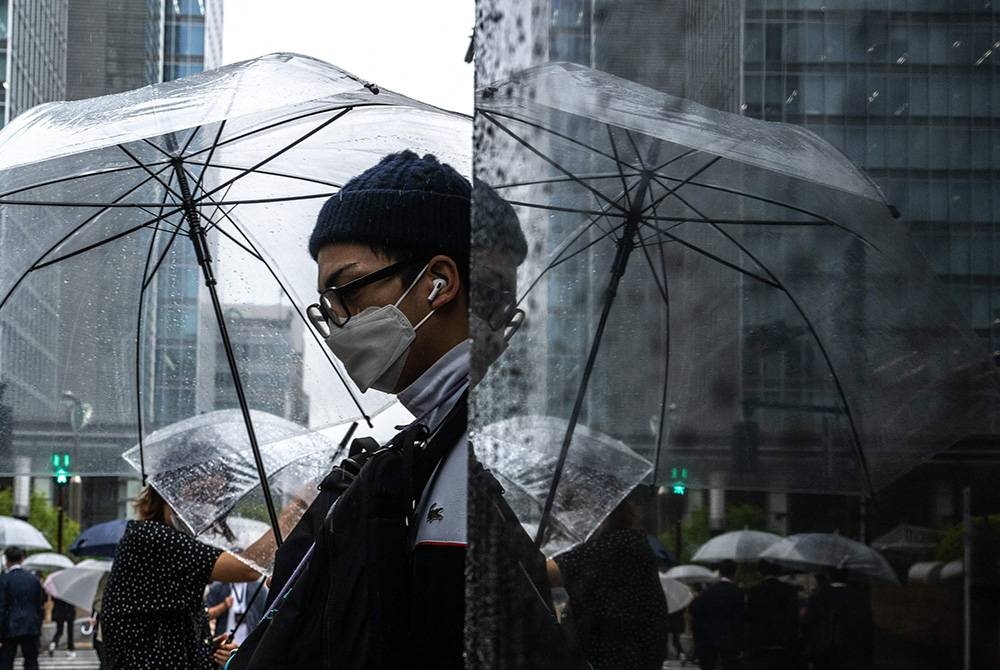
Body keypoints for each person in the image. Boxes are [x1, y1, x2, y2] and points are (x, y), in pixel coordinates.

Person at [228, 151, 577, 670]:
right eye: (325, 303)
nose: (335, 322)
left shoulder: (464, 453)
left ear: (439, 283)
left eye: (344, 288)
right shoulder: (425, 447)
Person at [99, 485, 260, 669]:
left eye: (214, 499)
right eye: (198, 495)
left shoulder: (173, 550)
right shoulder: (152, 538)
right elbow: (248, 569)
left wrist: (206, 650)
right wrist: (293, 513)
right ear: (166, 492)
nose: (205, 506)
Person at [550, 493, 670, 670]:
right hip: (634, 651)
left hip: (619, 653)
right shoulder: (630, 541)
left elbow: (553, 571)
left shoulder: (620, 543)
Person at [801, 567, 874, 670]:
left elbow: (808, 623)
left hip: (823, 651)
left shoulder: (819, 595)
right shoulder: (857, 597)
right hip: (850, 651)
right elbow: (866, 626)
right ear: (847, 576)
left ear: (829, 576)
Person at [690, 559, 745, 670]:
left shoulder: (706, 593)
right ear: (734, 573)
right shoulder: (737, 593)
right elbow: (739, 620)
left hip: (707, 639)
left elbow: (695, 612)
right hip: (729, 641)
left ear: (719, 572)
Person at [745, 560, 800, 670]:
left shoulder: (754, 591)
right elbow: (794, 617)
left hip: (760, 643)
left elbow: (749, 617)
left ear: (761, 571)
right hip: (785, 643)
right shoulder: (789, 590)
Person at [0, 546, 45, 670]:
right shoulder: (34, 580)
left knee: (6, 662)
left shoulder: (4, 580)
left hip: (10, 626)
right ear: (22, 559)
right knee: (31, 662)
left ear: (7, 560)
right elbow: (39, 603)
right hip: (31, 625)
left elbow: (1, 607)